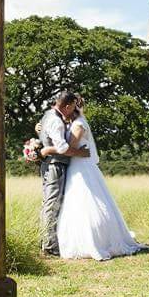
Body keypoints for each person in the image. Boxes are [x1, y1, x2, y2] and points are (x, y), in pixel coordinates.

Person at [40, 96, 147, 260]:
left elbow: (70, 148)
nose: (62, 114)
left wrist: (46, 150)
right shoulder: (71, 123)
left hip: (81, 169)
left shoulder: (78, 125)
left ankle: (93, 241)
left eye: (65, 110)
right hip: (75, 167)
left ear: (71, 109)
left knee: (86, 202)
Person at [36, 91, 90, 256]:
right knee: (52, 205)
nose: (74, 109)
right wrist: (81, 153)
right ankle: (50, 246)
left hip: (50, 164)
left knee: (48, 203)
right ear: (66, 106)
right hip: (56, 165)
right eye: (73, 106)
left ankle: (45, 241)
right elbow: (62, 148)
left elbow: (41, 131)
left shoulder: (47, 115)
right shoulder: (57, 122)